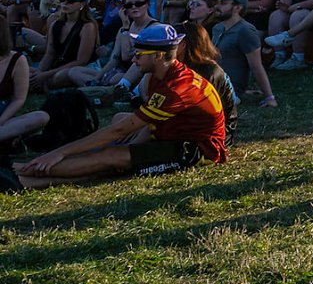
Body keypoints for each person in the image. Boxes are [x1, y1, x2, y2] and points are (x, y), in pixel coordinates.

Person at [2, 23, 227, 192]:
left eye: (139, 54)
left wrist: (59, 152)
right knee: (110, 155)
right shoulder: (161, 74)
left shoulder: (177, 87)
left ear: (159, 56)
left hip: (196, 150)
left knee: (110, 157)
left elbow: (119, 131)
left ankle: (17, 171)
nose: (133, 60)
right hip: (174, 135)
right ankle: (22, 179)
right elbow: (147, 124)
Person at [208, 0, 277, 108]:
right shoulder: (217, 28)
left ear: (237, 8)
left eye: (223, 3)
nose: (217, 6)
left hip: (228, 89)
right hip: (213, 82)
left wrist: (269, 97)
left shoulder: (246, 31)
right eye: (217, 2)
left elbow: (256, 66)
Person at [26, 0, 97, 93]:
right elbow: (50, 53)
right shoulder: (56, 24)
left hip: (78, 68)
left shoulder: (87, 26)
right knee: (25, 70)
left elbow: (82, 61)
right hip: (58, 66)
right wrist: (39, 73)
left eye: (71, 1)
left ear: (82, 4)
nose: (65, 3)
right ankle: (38, 85)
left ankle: (38, 86)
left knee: (59, 76)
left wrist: (45, 75)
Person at [0, 20, 49, 150]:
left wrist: (1, 120)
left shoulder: (17, 60)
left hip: (4, 118)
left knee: (41, 117)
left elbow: (19, 99)